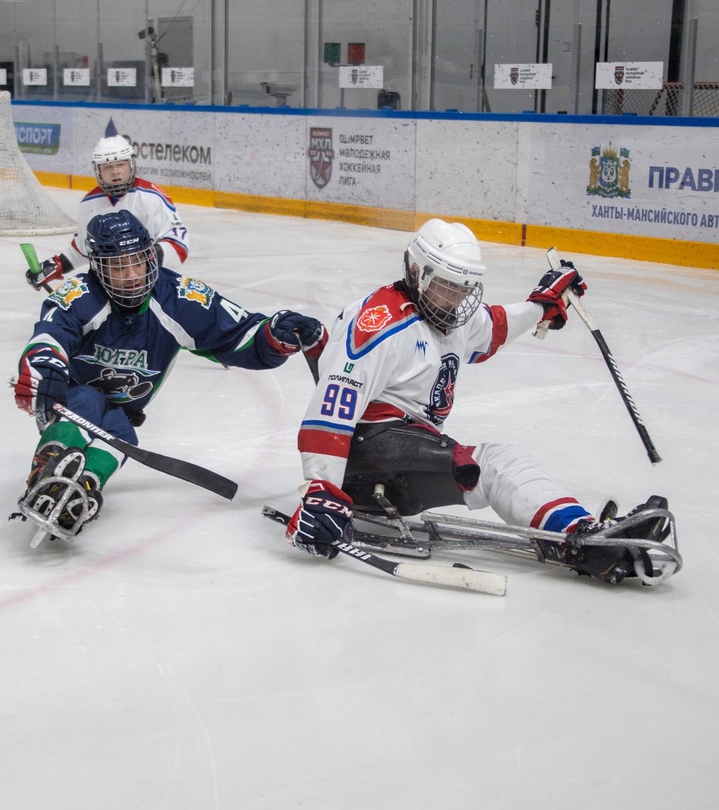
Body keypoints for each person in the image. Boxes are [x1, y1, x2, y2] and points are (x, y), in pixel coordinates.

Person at [284, 218, 673, 585]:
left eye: (463, 287)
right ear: (417, 272)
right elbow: (331, 411)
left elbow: (494, 326)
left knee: (491, 465)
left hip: (400, 446)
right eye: (447, 286)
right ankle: (581, 538)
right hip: (364, 455)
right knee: (493, 465)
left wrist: (544, 305)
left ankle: (579, 529)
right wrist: (322, 492)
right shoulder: (381, 324)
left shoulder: (444, 311)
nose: (456, 298)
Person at [12, 209, 326, 541]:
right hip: (70, 402)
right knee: (88, 401)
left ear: (151, 255)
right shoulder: (81, 292)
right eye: (119, 267)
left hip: (124, 409)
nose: (133, 275)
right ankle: (46, 469)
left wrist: (272, 336)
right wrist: (45, 371)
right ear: (98, 268)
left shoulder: (178, 297)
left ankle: (86, 486)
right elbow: (50, 335)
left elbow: (238, 334)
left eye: (139, 261)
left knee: (122, 431)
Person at [26, 132, 188, 290]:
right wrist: (58, 265)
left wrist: (142, 263)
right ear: (98, 171)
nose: (115, 171)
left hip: (150, 284)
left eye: (121, 164)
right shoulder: (88, 204)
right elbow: (84, 249)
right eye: (108, 166)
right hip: (109, 286)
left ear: (131, 165)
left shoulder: (152, 198)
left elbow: (178, 245)